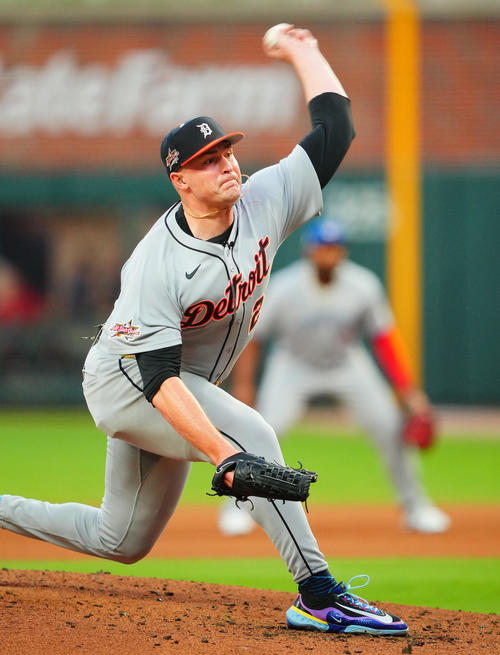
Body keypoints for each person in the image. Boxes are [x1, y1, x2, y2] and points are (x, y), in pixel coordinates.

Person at [0, 26, 409, 636]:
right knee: (252, 434)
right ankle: (320, 596)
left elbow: (336, 129)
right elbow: (159, 378)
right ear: (180, 181)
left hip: (182, 384)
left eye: (227, 152)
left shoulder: (266, 198)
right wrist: (226, 456)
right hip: (127, 382)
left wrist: (304, 51)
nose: (226, 165)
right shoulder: (156, 262)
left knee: (121, 539)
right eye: (207, 160)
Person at [219, 217, 451, 537]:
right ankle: (238, 507)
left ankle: (416, 508)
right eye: (322, 247)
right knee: (262, 432)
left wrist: (406, 389)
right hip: (293, 364)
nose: (328, 253)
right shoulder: (284, 287)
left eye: (334, 247)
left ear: (343, 252)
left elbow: (383, 338)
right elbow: (254, 338)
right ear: (309, 251)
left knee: (389, 427)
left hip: (345, 363)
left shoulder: (363, 285)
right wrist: (245, 386)